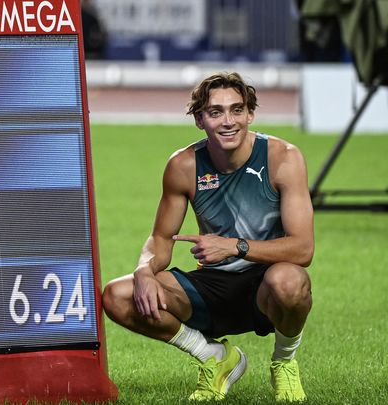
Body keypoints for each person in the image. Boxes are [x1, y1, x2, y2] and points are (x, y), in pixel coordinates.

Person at [102, 72, 314, 402]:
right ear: (200, 119)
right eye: (216, 112)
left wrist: (235, 246)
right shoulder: (183, 165)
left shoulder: (283, 158)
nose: (228, 121)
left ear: (250, 114)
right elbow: (161, 237)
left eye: (237, 110)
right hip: (212, 287)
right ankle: (214, 357)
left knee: (290, 280)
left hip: (266, 282)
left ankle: (284, 362)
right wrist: (144, 269)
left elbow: (303, 248)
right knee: (118, 295)